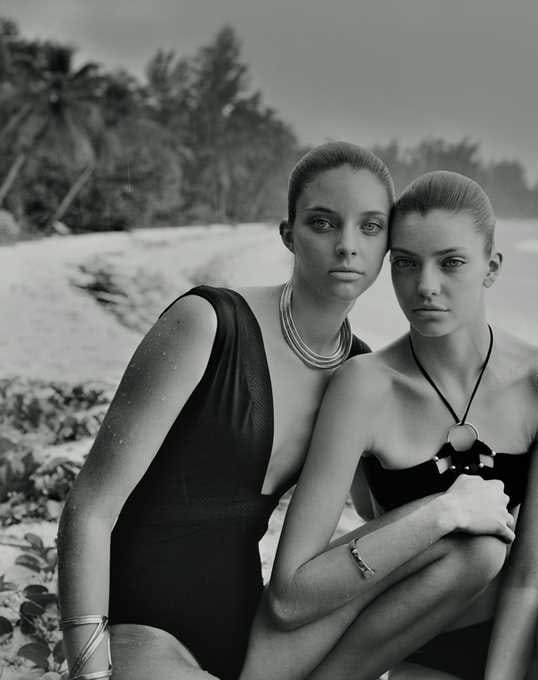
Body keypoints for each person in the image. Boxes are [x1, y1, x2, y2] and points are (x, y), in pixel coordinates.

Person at [244, 171, 538, 680]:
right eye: (406, 263)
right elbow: (294, 591)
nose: (426, 286)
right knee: (477, 546)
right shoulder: (365, 386)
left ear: (491, 268)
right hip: (422, 640)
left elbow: (528, 572)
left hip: (526, 634)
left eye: (451, 263)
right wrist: (440, 514)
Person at [56, 141, 397, 680]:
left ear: (388, 247)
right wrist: (90, 672)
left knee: (464, 557)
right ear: (288, 234)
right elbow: (89, 509)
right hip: (143, 623)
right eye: (323, 223)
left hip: (249, 631)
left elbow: (375, 509)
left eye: (370, 227)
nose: (347, 246)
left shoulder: (360, 373)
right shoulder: (208, 323)